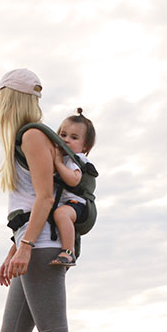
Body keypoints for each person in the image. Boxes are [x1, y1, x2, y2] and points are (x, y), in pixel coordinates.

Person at [0, 68, 84, 332]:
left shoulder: (31, 136)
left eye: (1, 96)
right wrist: (15, 245)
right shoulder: (26, 138)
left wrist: (26, 246)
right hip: (31, 241)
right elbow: (31, 204)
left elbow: (46, 197)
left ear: (13, 99)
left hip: (41, 246)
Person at [49, 108, 96, 268]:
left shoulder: (76, 159)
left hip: (78, 205)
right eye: (63, 135)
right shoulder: (65, 157)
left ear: (85, 146)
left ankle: (68, 252)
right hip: (68, 204)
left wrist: (58, 163)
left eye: (74, 137)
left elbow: (74, 180)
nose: (67, 140)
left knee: (61, 213)